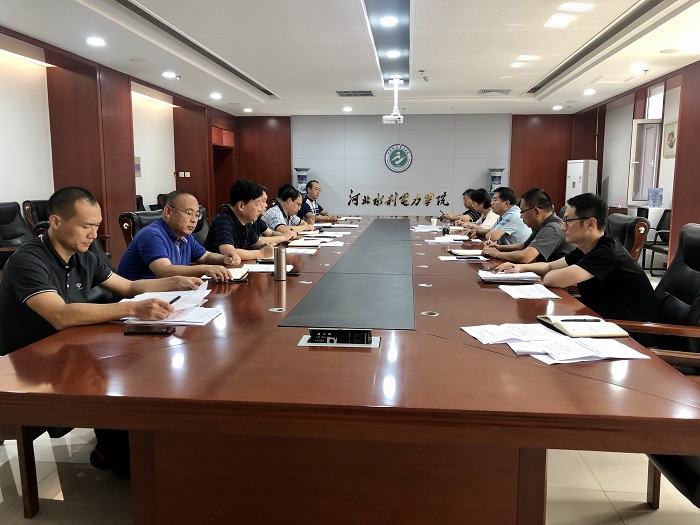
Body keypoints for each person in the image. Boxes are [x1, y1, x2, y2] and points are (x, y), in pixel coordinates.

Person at [0, 186, 203, 478]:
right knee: (121, 377)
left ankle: (132, 446)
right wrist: (131, 309)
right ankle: (121, 453)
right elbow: (60, 316)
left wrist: (176, 282)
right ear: (56, 222)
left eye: (96, 226)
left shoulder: (83, 255)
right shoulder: (28, 260)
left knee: (141, 366)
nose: (93, 234)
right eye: (86, 226)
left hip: (71, 344)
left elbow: (128, 286)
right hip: (29, 362)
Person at [494, 193, 658, 339]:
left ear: (591, 224)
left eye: (568, 221)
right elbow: (550, 267)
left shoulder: (606, 253)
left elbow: (552, 278)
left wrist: (545, 274)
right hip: (602, 321)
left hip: (631, 333)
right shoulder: (586, 248)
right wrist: (520, 268)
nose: (563, 227)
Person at [118, 190, 239, 282]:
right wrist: (205, 269)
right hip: (137, 300)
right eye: (188, 213)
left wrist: (224, 258)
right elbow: (163, 271)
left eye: (197, 215)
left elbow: (205, 256)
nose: (194, 220)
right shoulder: (151, 235)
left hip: (167, 294)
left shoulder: (185, 236)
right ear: (168, 211)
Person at [482, 188, 575, 263]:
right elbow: (524, 246)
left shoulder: (552, 228)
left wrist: (497, 254)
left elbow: (525, 257)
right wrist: (498, 247)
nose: (521, 216)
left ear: (536, 211)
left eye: (522, 211)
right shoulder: (541, 224)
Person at [204, 180, 276, 261]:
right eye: (257, 204)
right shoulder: (222, 221)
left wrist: (266, 246)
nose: (260, 209)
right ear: (241, 206)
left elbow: (256, 243)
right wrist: (262, 253)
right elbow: (228, 252)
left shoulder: (246, 222)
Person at [465, 187, 530, 244]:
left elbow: (492, 236)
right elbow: (490, 230)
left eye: (495, 200)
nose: (491, 203)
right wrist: (476, 232)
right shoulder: (504, 214)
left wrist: (488, 234)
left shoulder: (512, 216)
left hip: (515, 252)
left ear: (506, 203)